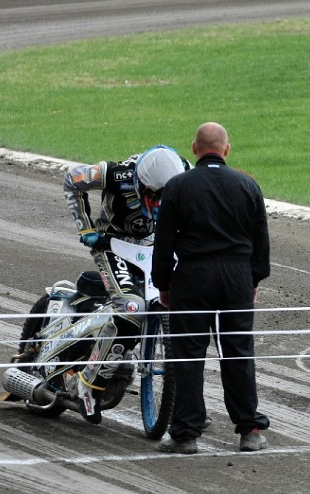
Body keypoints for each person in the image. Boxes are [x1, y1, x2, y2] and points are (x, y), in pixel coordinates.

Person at [152, 122, 271, 454]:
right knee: (237, 352)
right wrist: (253, 279)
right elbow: (261, 240)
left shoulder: (177, 186)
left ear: (194, 148)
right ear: (227, 149)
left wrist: (163, 283)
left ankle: (186, 433)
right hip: (236, 275)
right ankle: (249, 429)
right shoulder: (247, 184)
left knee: (187, 355)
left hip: (193, 274)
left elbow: (164, 242)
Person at [63, 145, 190, 423]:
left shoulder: (186, 172)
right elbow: (73, 179)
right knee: (131, 308)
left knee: (185, 308)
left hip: (157, 249)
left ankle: (188, 403)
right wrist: (85, 227)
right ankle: (89, 381)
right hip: (113, 246)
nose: (160, 201)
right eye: (155, 194)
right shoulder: (115, 173)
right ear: (141, 183)